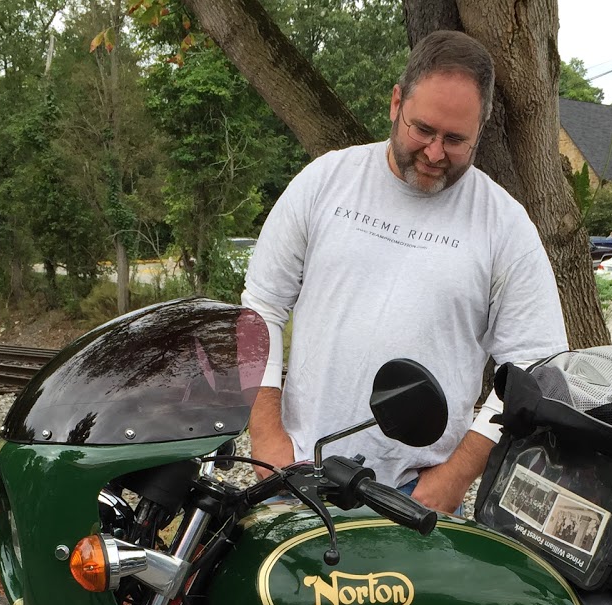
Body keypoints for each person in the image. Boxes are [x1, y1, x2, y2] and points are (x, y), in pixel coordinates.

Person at [240, 29, 569, 513]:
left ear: (481, 128)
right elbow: (259, 311)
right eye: (423, 130)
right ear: (396, 103)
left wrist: (454, 479)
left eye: (456, 139)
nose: (435, 153)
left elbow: (537, 367)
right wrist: (267, 438)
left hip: (414, 502)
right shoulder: (325, 182)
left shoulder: (503, 224)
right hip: (297, 481)